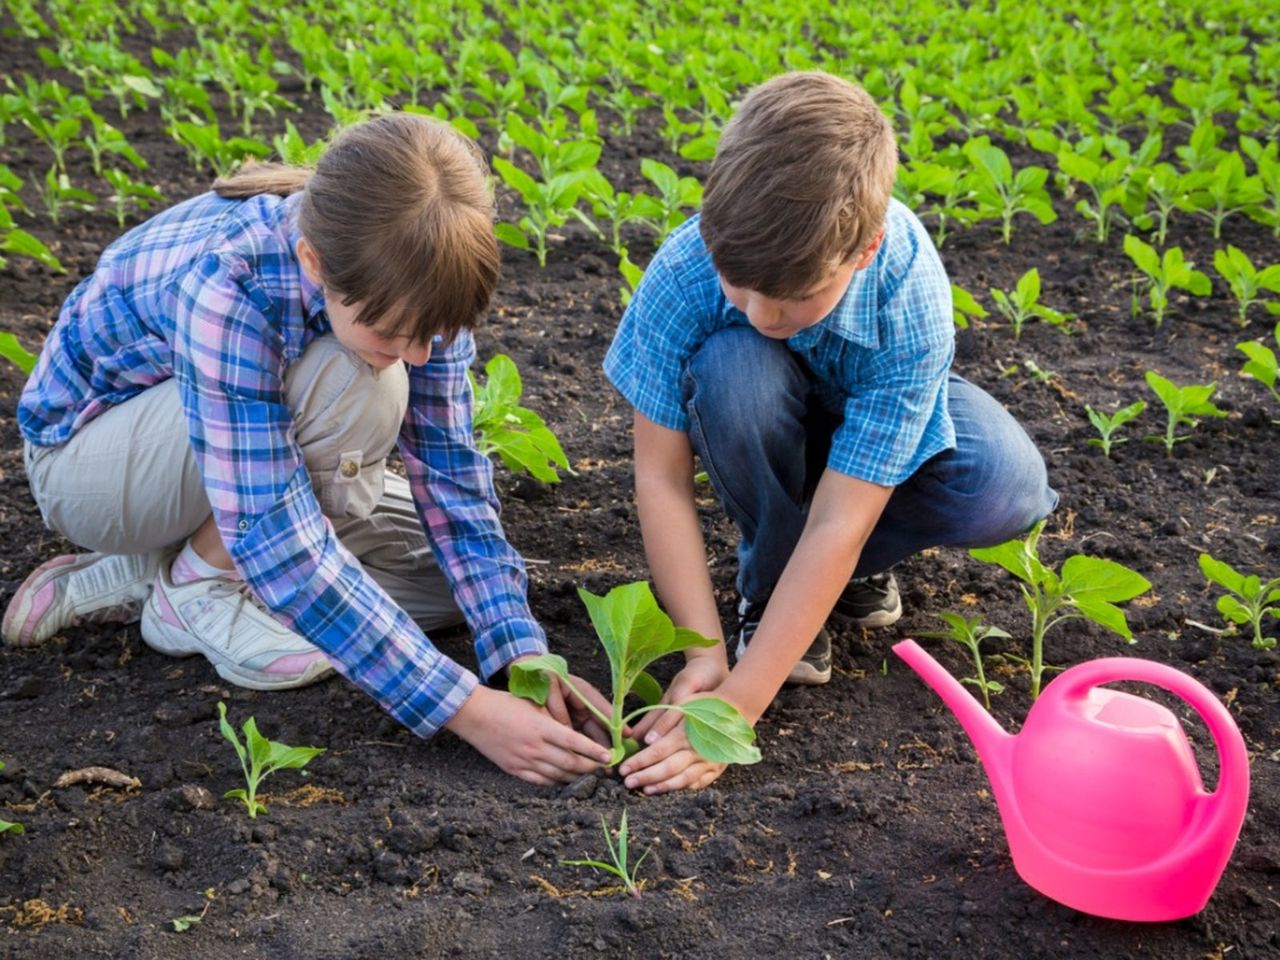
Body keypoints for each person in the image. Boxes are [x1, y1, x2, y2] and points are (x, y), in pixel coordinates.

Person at [3, 113, 614, 786]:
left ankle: (151, 569)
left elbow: (453, 483)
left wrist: (518, 657)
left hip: (216, 458)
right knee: (360, 382)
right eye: (394, 333)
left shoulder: (419, 283)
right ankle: (195, 589)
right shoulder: (230, 282)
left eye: (432, 337)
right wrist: (464, 708)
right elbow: (276, 537)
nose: (416, 356)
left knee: (442, 590)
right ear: (312, 264)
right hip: (91, 463)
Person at [603, 72, 1057, 794]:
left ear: (865, 249)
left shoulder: (909, 295)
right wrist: (706, 659)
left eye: (792, 297)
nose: (759, 312)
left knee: (1001, 486)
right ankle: (776, 594)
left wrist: (737, 710)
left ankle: (811, 582)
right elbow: (660, 480)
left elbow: (842, 521)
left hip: (860, 444)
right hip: (752, 412)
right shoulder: (685, 270)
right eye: (737, 285)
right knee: (736, 364)